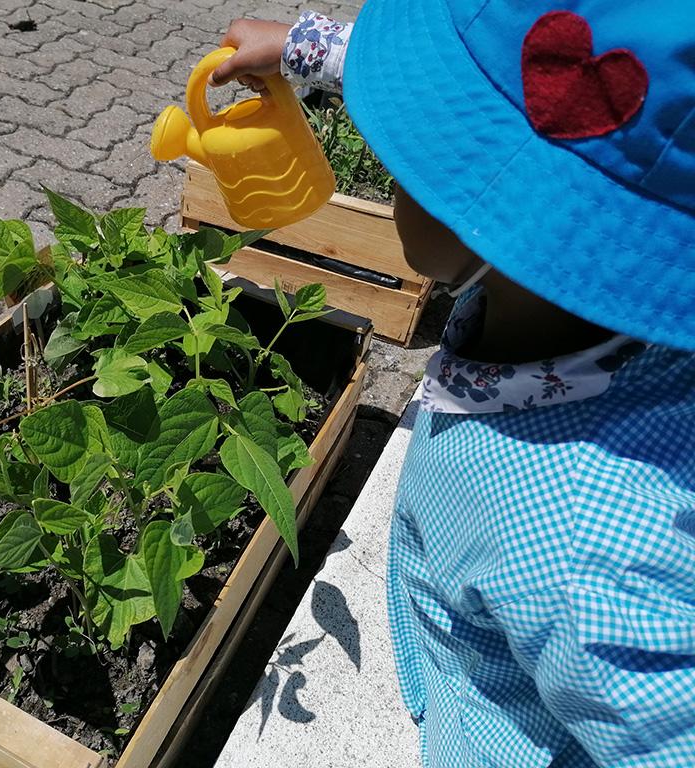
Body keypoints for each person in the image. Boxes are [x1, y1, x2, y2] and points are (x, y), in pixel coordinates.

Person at [212, 2, 695, 767]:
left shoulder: (578, 554)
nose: (388, 158)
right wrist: (309, 51)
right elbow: (562, 104)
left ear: (498, 213)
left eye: (410, 151)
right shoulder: (581, 306)